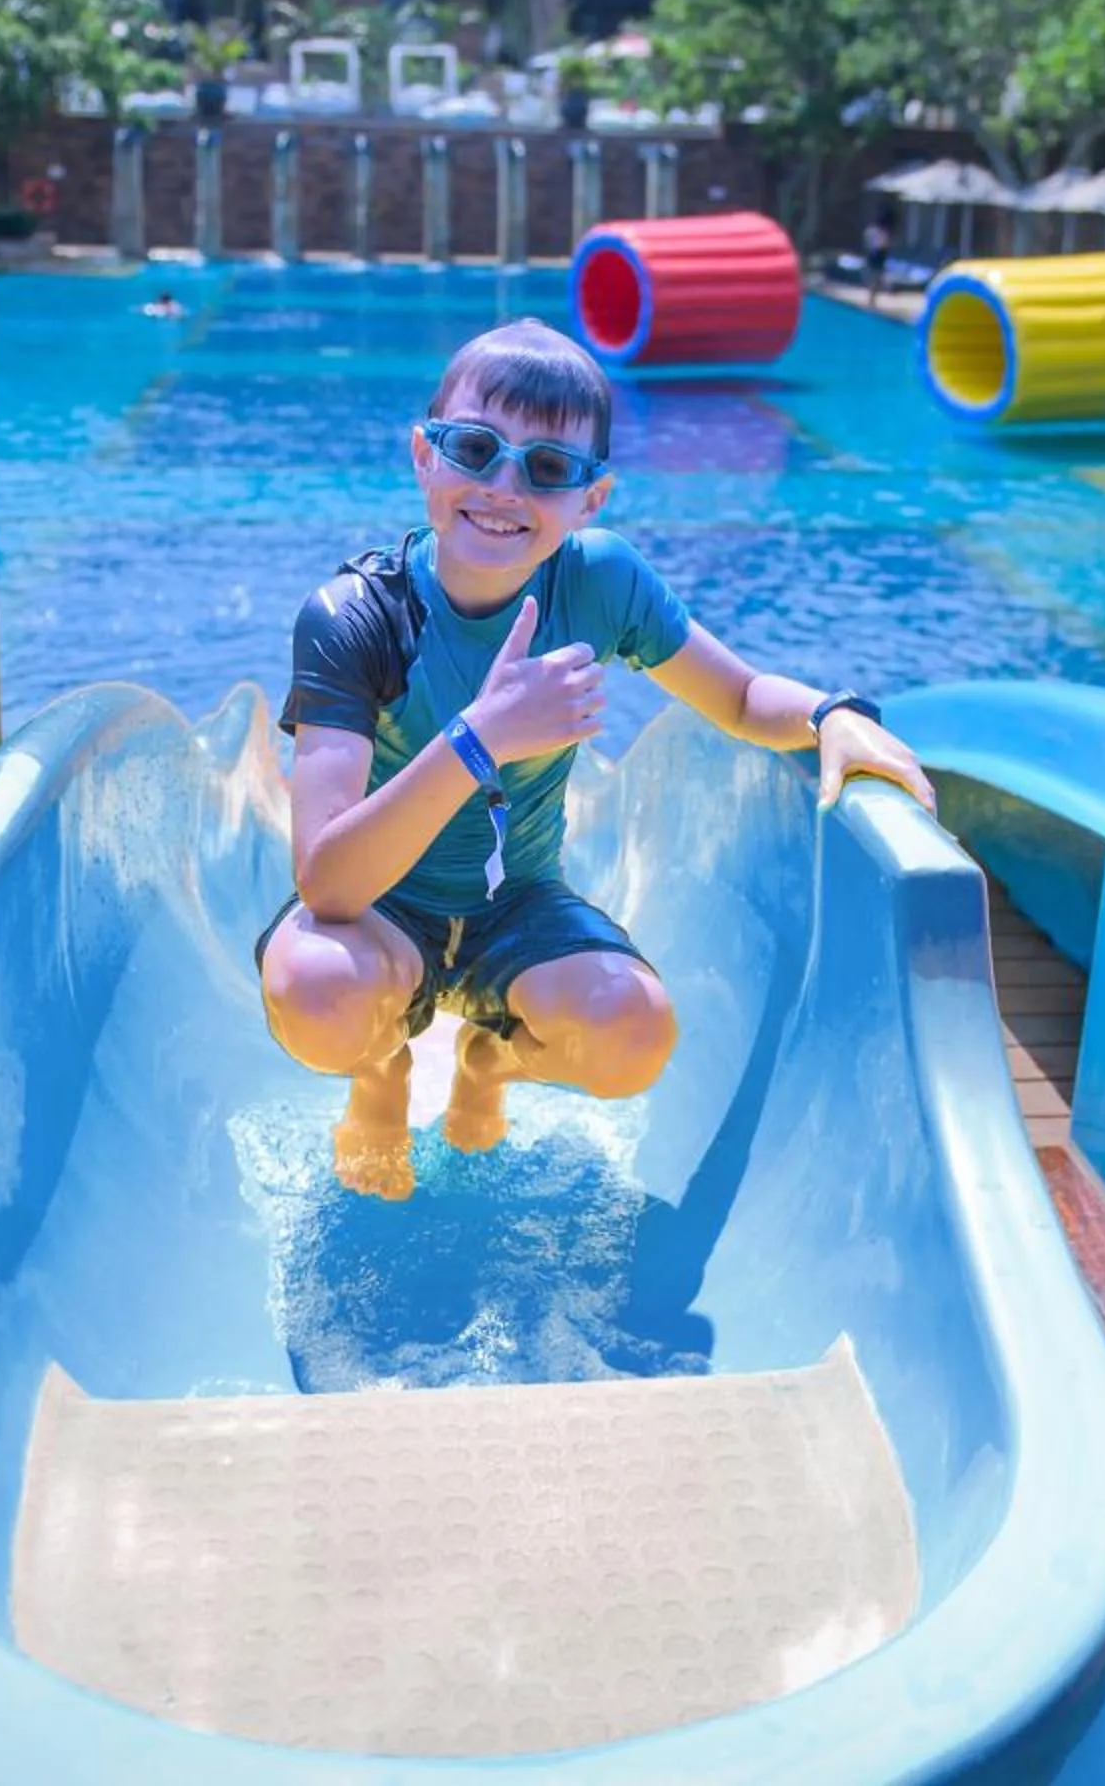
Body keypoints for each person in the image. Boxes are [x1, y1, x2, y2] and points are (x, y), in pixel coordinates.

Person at [258, 318, 936, 1202]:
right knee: (314, 989)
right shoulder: (356, 616)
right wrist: (481, 737)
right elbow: (329, 885)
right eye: (476, 449)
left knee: (633, 1035)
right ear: (424, 456)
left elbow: (734, 697)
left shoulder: (599, 581)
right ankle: (381, 1066)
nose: (505, 486)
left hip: (516, 907)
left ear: (591, 499)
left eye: (548, 468)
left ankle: (490, 1063)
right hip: (384, 911)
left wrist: (829, 713)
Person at [861, 207, 896, 308]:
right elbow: (883, 245)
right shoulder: (881, 232)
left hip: (876, 256)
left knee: (875, 278)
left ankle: (872, 299)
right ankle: (872, 299)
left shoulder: (873, 230)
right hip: (877, 256)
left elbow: (867, 240)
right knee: (875, 278)